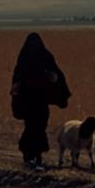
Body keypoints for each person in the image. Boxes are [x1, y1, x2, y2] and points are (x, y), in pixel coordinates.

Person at [9, 32, 70, 168]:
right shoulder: (25, 58)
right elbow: (17, 77)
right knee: (32, 126)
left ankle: (36, 154)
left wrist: (52, 78)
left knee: (40, 126)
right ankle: (29, 153)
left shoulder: (45, 57)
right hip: (29, 100)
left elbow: (56, 74)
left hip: (41, 99)